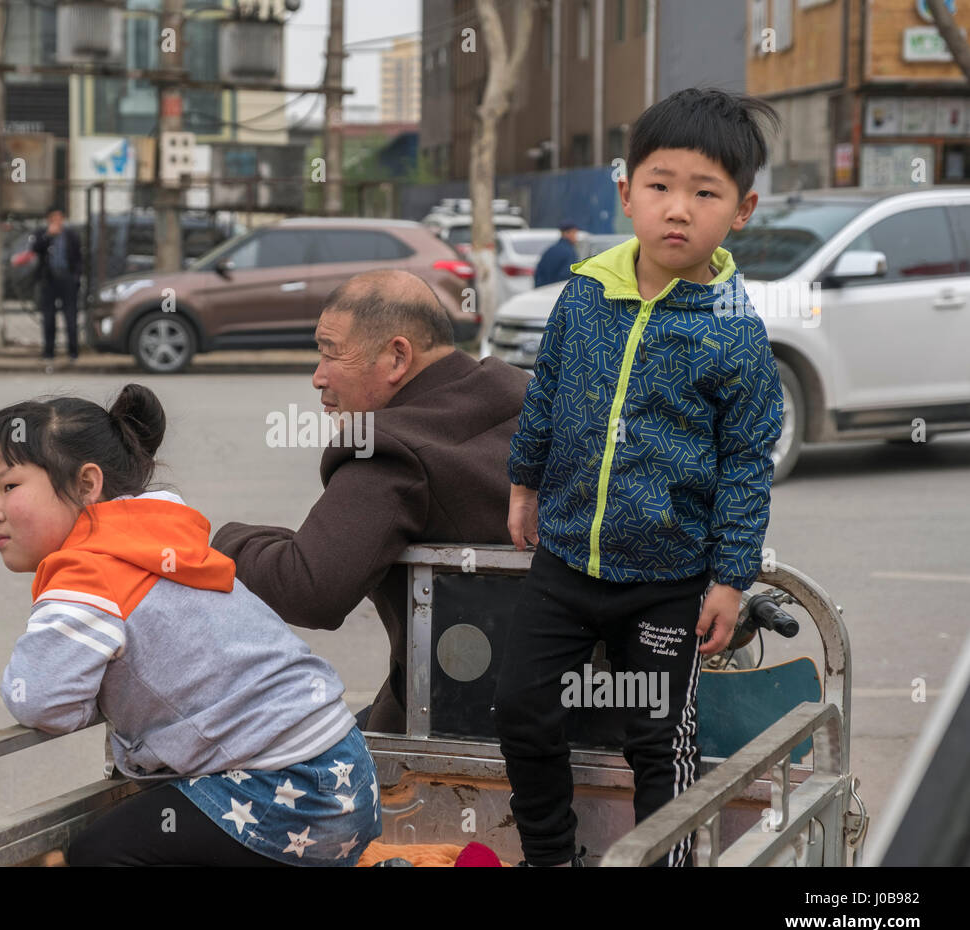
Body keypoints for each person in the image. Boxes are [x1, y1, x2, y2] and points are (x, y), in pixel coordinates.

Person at [494, 87, 785, 867]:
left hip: (668, 580)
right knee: (521, 708)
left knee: (659, 745)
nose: (678, 209)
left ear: (742, 208)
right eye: (661, 186)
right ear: (627, 193)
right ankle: (552, 857)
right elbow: (545, 390)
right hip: (564, 563)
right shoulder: (585, 293)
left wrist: (730, 579)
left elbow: (747, 463)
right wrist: (524, 483)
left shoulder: (735, 334)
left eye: (705, 192)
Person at [0, 385, 381, 866]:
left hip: (284, 792)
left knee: (99, 854)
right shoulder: (162, 539)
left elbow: (40, 699)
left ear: (87, 485)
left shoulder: (89, 571)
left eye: (10, 486)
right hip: (344, 772)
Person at [212, 270, 531, 734]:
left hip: (459, 716)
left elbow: (311, 586)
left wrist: (221, 541)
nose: (318, 377)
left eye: (330, 353)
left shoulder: (390, 447)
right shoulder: (516, 390)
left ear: (397, 357)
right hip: (567, 698)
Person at [30, 206, 82, 368]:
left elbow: (79, 257)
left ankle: (73, 352)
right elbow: (35, 248)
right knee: (49, 317)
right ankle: (49, 352)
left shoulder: (71, 235)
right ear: (49, 219)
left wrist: (76, 276)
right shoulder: (42, 233)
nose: (57, 221)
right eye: (53, 218)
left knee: (70, 316)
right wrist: (48, 236)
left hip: (67, 279)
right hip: (49, 279)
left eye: (59, 217)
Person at [532, 220, 579, 287]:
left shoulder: (550, 250)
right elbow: (567, 276)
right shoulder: (569, 252)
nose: (576, 237)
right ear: (566, 233)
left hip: (542, 291)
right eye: (574, 233)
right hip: (557, 292)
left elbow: (538, 273)